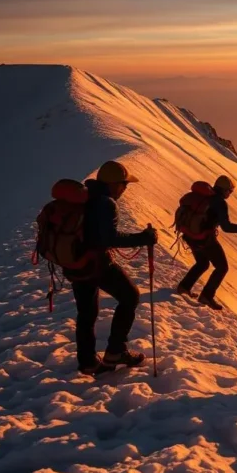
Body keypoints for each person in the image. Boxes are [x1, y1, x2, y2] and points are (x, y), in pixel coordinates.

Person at [67, 160, 157, 375]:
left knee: (86, 313)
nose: (125, 189)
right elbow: (109, 238)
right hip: (96, 262)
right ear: (115, 184)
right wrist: (144, 238)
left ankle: (87, 361)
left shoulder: (85, 196)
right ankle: (116, 351)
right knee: (130, 296)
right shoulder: (106, 203)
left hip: (74, 262)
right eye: (124, 184)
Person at [175, 175, 237, 310]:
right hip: (205, 239)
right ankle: (207, 296)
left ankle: (184, 287)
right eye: (230, 191)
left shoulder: (204, 196)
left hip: (189, 236)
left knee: (202, 263)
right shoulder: (219, 202)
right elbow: (227, 227)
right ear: (225, 190)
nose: (230, 194)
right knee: (222, 267)